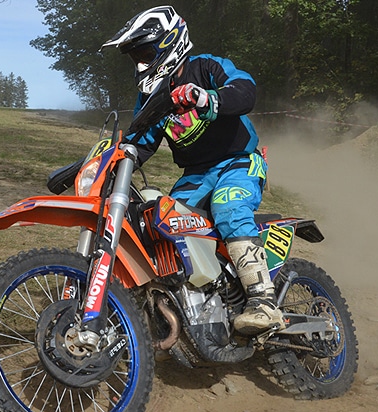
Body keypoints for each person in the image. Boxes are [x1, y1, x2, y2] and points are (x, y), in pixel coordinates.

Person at [102, 5, 284, 335]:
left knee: (229, 206)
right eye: (135, 57)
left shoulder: (206, 67)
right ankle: (185, 304)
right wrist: (103, 165)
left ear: (170, 43)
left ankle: (263, 302)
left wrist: (207, 98)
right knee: (161, 223)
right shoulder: (149, 98)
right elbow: (140, 142)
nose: (140, 64)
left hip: (239, 162)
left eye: (145, 54)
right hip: (196, 175)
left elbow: (245, 90)